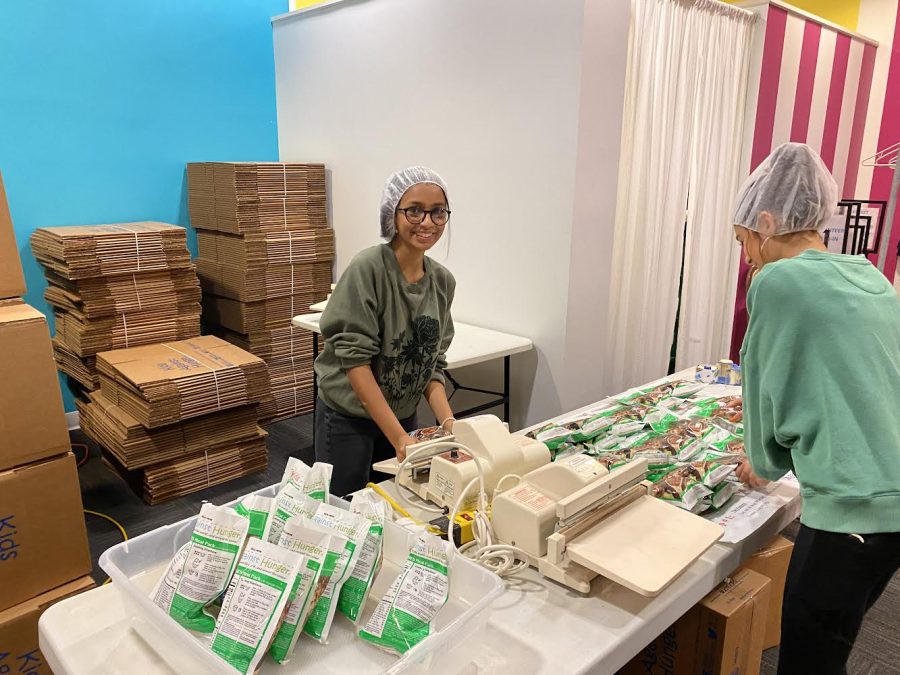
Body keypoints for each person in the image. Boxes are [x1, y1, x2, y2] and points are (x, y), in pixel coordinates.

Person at [731, 142, 900, 675]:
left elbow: (766, 378)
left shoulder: (777, 280)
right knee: (836, 641)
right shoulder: (868, 274)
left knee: (808, 660)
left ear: (764, 220)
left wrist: (761, 460)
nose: (747, 258)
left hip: (853, 510)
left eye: (745, 242)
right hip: (891, 498)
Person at [313, 166, 456, 496]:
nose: (428, 222)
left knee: (394, 502)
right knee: (343, 505)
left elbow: (432, 364)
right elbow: (355, 363)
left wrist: (450, 427)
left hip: (402, 414)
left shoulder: (443, 282)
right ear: (393, 213)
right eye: (415, 210)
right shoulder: (369, 269)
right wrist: (399, 439)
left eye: (438, 212)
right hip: (349, 416)